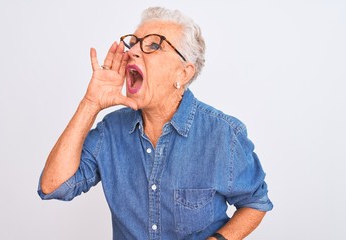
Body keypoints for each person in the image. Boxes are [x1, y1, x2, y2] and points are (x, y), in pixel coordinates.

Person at [38, 6, 273, 240]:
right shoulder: (110, 131)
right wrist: (91, 103)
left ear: (183, 73)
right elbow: (54, 186)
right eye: (134, 43)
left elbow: (255, 202)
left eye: (153, 45)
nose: (132, 52)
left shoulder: (224, 134)